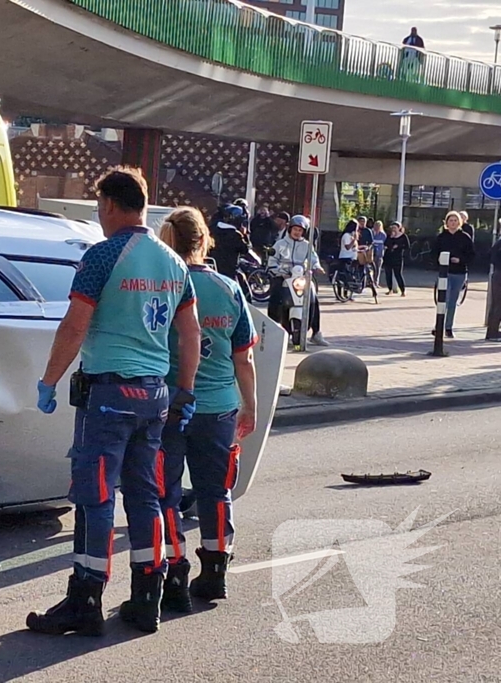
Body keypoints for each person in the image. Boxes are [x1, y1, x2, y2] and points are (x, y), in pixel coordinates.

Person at [27, 166, 202, 637]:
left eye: (99, 207)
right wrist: (184, 391)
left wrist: (48, 381)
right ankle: (147, 598)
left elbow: (75, 325)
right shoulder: (173, 262)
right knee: (145, 495)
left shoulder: (103, 255)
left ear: (107, 204)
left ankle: (85, 599)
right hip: (155, 395)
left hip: (108, 394)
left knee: (95, 496)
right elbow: (190, 334)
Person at [154, 207, 258, 612]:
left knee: (164, 493)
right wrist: (250, 405)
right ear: (205, 241)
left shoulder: (164, 285)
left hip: (168, 405)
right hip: (219, 409)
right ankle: (215, 572)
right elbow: (244, 358)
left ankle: (175, 573)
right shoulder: (228, 288)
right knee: (216, 491)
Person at [268, 215, 328, 346]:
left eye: (300, 230)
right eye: (295, 229)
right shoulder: (280, 244)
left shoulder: (307, 245)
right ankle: (272, 330)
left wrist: (317, 267)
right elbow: (272, 260)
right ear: (290, 229)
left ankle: (316, 333)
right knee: (275, 297)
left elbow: (313, 259)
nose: (297, 232)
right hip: (284, 276)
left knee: (313, 299)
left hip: (301, 278)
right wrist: (278, 271)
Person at [433, 211, 476, 338]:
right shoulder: (441, 237)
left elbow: (472, 255)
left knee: (453, 301)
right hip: (444, 273)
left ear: (459, 222)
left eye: (455, 220)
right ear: (446, 222)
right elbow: (433, 253)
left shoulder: (465, 237)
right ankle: (438, 326)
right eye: (450, 220)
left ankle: (449, 327)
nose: (453, 223)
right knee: (443, 300)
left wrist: (460, 260)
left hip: (459, 273)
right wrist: (439, 261)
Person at [210, 204, 252, 280]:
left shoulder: (213, 231)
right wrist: (244, 235)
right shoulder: (235, 235)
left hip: (213, 270)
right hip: (229, 272)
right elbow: (245, 249)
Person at [383, 222, 410, 296]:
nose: (393, 229)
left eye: (395, 227)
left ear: (399, 228)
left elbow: (407, 246)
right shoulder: (390, 236)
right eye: (392, 227)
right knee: (388, 274)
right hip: (388, 257)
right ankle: (390, 289)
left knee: (398, 274)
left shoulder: (403, 236)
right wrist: (391, 237)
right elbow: (385, 244)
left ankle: (402, 290)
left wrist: (398, 246)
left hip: (397, 257)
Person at [486, 231, 501, 341]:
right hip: (499, 274)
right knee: (498, 304)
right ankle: (493, 332)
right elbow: (492, 256)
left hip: (497, 273)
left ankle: (492, 331)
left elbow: (490, 256)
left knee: (496, 303)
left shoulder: (498, 242)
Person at [371, 220, 387, 286]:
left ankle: (376, 282)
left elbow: (385, 244)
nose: (377, 227)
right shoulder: (371, 233)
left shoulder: (383, 235)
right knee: (371, 268)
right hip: (371, 253)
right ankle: (370, 281)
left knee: (378, 268)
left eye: (379, 226)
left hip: (379, 254)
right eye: (376, 225)